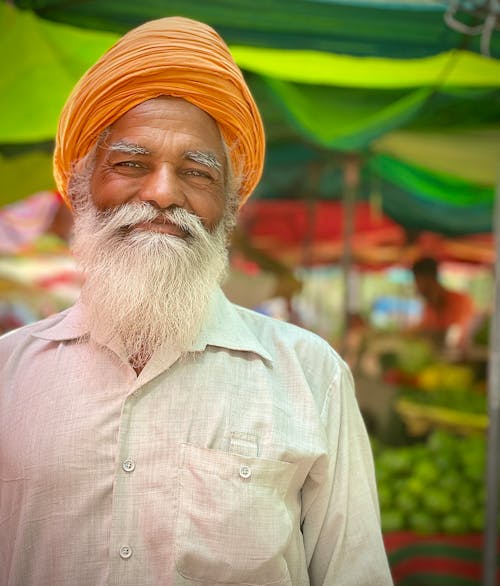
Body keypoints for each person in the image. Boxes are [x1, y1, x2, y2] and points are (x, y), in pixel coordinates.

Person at [0, 17, 393, 586]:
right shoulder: (9, 375)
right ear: (82, 188)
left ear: (227, 208)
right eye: (131, 164)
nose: (163, 192)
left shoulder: (312, 377)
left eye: (197, 172)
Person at [412, 256, 476, 351]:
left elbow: (456, 334)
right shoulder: (429, 307)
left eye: (417, 281)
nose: (417, 287)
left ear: (429, 279)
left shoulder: (459, 300)